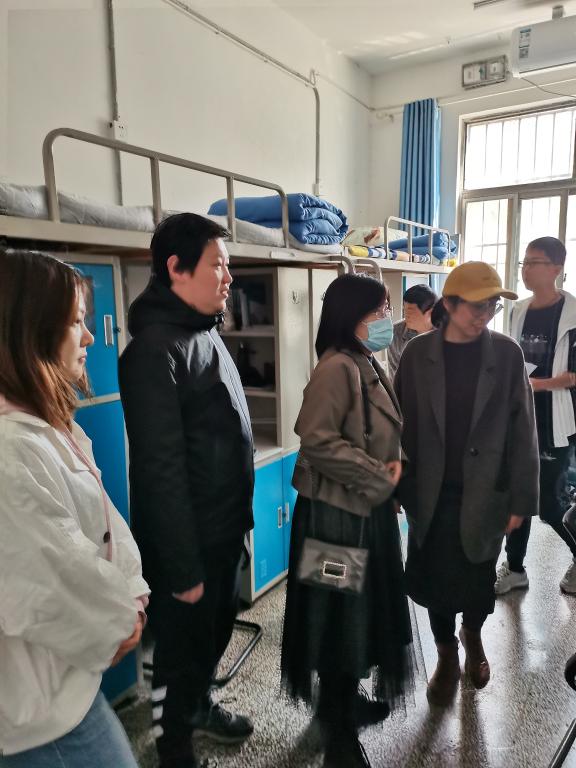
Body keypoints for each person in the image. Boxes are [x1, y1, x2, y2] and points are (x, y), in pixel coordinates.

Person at [0, 248, 149, 768]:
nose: (89, 338)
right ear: (31, 333)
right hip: (40, 717)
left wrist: (130, 594)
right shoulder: (11, 453)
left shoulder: (45, 428)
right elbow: (53, 580)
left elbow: (102, 528)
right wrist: (121, 618)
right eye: (76, 323)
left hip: (62, 686)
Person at [119, 213, 255, 768]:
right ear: (176, 268)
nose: (229, 277)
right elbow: (160, 471)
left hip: (223, 529)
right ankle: (173, 744)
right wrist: (181, 569)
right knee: (178, 653)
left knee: (214, 633)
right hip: (188, 544)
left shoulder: (204, 331)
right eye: (218, 265)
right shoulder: (153, 351)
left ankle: (198, 706)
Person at [281, 273, 415, 768]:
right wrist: (379, 477)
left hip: (364, 512)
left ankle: (343, 703)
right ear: (351, 316)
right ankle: (338, 735)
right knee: (338, 618)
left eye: (387, 309)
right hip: (334, 521)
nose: (387, 319)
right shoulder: (337, 366)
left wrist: (390, 484)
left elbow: (379, 431)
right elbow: (316, 439)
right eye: (379, 311)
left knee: (356, 616)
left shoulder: (364, 360)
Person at [395, 261, 539, 706]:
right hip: (430, 492)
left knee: (478, 578)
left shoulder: (507, 354)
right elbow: (398, 422)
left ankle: (472, 635)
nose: (486, 315)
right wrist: (396, 485)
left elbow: (524, 430)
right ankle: (445, 656)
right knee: (436, 583)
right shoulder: (418, 354)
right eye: (477, 306)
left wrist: (522, 498)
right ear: (450, 304)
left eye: (493, 306)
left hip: (486, 491)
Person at [496, 237, 576, 596]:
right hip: (521, 418)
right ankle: (514, 568)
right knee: (517, 496)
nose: (526, 270)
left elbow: (573, 376)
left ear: (556, 268)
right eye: (523, 263)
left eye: (534, 263)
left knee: (549, 505)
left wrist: (534, 385)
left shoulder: (572, 315)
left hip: (556, 420)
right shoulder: (519, 310)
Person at [387, 283, 437, 378]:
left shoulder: (447, 333)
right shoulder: (395, 333)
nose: (406, 316)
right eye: (404, 310)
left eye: (411, 312)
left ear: (431, 312)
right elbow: (395, 375)